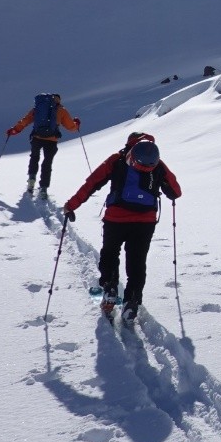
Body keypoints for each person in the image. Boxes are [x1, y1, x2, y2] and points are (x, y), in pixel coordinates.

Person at [62, 132, 182, 321]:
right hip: (145, 222)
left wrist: (71, 205)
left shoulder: (116, 160)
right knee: (137, 260)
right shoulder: (157, 164)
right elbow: (176, 192)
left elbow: (92, 183)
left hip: (115, 219)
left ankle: (109, 289)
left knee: (110, 253)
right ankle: (132, 301)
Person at [6, 93, 81, 196]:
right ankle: (43, 188)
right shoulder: (61, 109)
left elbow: (25, 120)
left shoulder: (39, 107)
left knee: (34, 157)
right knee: (47, 163)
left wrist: (15, 130)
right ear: (58, 100)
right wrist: (76, 124)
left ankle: (31, 179)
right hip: (52, 140)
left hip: (37, 137)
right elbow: (71, 127)